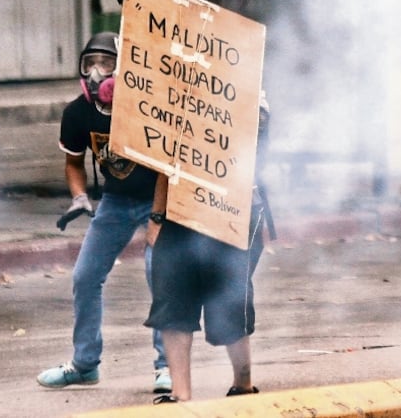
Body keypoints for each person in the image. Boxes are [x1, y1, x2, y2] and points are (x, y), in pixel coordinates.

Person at [36, 32, 170, 393]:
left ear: (124, 69)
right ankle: (84, 364)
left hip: (157, 198)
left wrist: (158, 219)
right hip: (115, 200)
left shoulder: (145, 106)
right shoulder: (76, 113)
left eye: (106, 64)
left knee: (159, 271)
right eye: (89, 64)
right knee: (84, 276)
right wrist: (79, 196)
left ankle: (167, 365)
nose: (96, 74)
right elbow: (73, 162)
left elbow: (165, 167)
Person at [144, 100, 271, 404]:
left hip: (231, 211)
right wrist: (157, 215)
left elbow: (259, 138)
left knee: (230, 300)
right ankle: (180, 393)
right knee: (172, 299)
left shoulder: (248, 89)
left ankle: (243, 384)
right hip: (179, 211)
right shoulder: (175, 90)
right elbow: (166, 160)